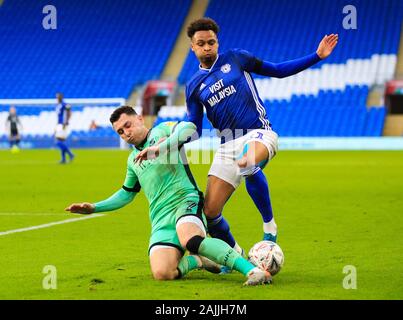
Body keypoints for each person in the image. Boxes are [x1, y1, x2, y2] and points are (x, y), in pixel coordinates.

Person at [65, 106, 272, 286]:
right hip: (160, 219)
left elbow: (190, 128)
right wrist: (94, 207)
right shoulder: (132, 160)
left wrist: (164, 145)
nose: (126, 133)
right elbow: (126, 194)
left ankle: (253, 271)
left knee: (190, 238)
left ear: (139, 118)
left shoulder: (162, 130)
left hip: (186, 201)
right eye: (120, 132)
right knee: (162, 273)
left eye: (127, 125)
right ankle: (199, 261)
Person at [185, 18, 338, 255]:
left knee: (247, 163)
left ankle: (269, 227)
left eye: (211, 42)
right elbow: (193, 127)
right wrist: (168, 142)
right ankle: (235, 253)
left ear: (217, 42)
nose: (207, 47)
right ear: (192, 47)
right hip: (227, 146)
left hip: (258, 133)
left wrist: (316, 56)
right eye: (201, 43)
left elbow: (276, 71)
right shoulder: (193, 86)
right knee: (210, 213)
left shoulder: (236, 58)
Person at [55, 92, 74, 164]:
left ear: (61, 97)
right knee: (60, 141)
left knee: (58, 141)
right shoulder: (58, 105)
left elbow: (69, 113)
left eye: (58, 97)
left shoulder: (65, 104)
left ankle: (70, 154)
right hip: (59, 124)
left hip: (63, 124)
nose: (57, 98)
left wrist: (66, 122)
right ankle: (63, 159)